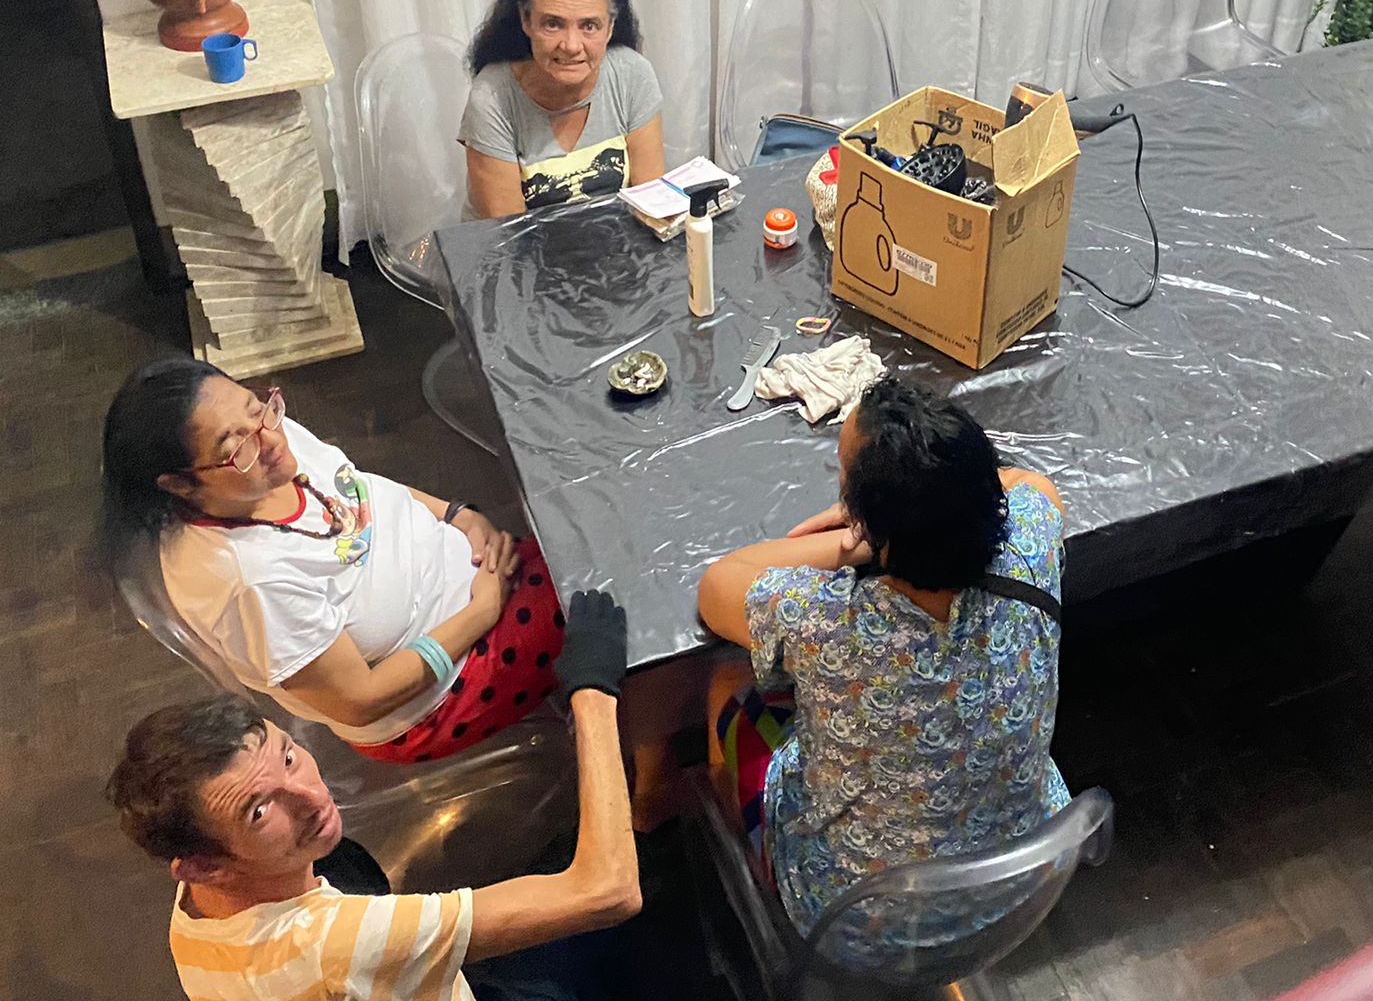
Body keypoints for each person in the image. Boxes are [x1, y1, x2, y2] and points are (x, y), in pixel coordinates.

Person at [106, 591, 639, 1001]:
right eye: (259, 810)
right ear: (202, 866)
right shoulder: (332, 944)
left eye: (288, 757)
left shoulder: (196, 913)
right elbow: (608, 891)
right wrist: (592, 690)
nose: (311, 797)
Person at [696, 375, 1069, 948]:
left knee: (726, 676)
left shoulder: (824, 620)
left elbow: (719, 584)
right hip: (1019, 878)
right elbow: (1032, 483)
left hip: (859, 920)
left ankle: (708, 830)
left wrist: (860, 536)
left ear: (868, 516)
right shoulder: (1031, 545)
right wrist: (915, 514)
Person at [102, 355, 565, 763]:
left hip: (477, 583)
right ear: (179, 484)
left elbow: (358, 488)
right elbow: (360, 700)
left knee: (583, 538)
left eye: (257, 408)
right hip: (438, 693)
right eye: (236, 448)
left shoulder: (266, 443)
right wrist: (484, 610)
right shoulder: (250, 582)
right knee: (600, 596)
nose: (271, 439)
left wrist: (456, 515)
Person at [460, 0, 665, 219]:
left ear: (610, 27)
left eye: (589, 26)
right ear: (526, 20)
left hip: (614, 239)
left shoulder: (632, 73)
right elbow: (508, 230)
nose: (571, 45)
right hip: (518, 242)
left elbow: (650, 203)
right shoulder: (492, 96)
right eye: (553, 24)